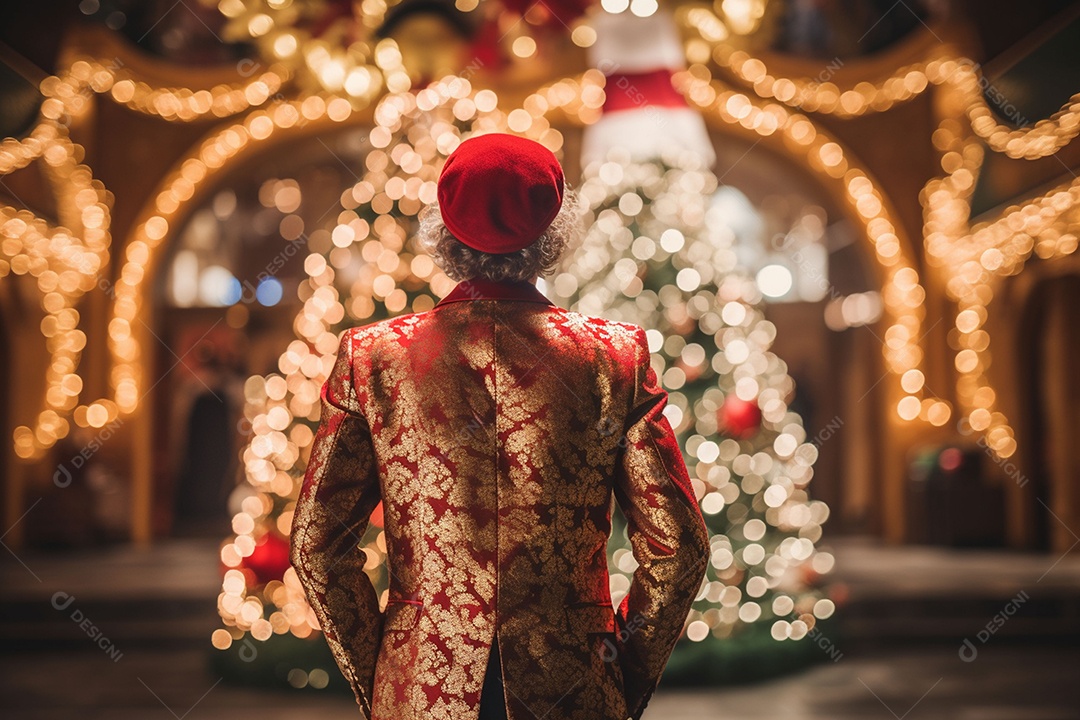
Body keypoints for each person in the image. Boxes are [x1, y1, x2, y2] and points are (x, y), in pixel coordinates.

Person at [291, 133, 709, 720]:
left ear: (444, 228)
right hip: (573, 688)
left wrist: (389, 673)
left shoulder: (374, 358)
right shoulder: (613, 358)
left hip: (421, 686)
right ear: (553, 231)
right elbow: (679, 550)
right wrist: (617, 678)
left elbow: (317, 546)